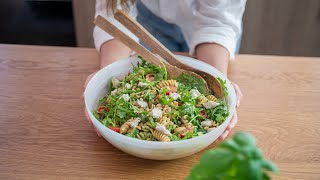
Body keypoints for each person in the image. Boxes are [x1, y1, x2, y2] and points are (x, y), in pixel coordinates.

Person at [84, 0, 245, 140]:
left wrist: (215, 78)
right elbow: (114, 11)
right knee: (146, 65)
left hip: (209, 31)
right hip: (147, 20)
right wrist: (109, 73)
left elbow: (217, 21)